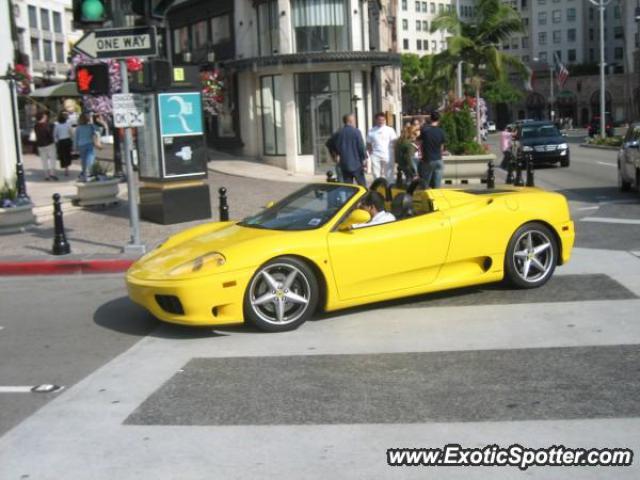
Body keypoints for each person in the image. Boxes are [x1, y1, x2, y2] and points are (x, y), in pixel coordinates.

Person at [326, 113, 367, 186]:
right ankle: (364, 197)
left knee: (348, 187)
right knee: (362, 186)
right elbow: (361, 147)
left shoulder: (338, 133)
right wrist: (364, 159)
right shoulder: (356, 132)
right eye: (354, 120)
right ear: (350, 121)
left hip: (344, 164)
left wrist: (334, 155)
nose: (355, 122)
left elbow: (328, 144)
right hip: (356, 163)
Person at [418, 110, 447, 188]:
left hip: (428, 160)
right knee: (437, 186)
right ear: (439, 120)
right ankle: (436, 199)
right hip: (438, 160)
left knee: (426, 185)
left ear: (430, 119)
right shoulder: (441, 132)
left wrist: (421, 154)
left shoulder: (425, 130)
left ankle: (427, 199)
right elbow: (442, 147)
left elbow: (420, 144)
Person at [367, 112, 397, 181]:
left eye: (383, 120)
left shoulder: (390, 130)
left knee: (389, 174)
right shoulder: (371, 131)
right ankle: (377, 187)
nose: (381, 121)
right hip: (375, 155)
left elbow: (394, 141)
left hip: (388, 154)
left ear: (385, 120)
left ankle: (390, 187)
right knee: (375, 173)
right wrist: (370, 152)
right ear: (376, 120)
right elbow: (368, 143)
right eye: (379, 120)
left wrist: (394, 152)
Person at [34, 112, 58, 181]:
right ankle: (52, 174)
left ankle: (46, 175)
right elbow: (50, 134)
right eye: (44, 116)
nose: (46, 117)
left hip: (40, 145)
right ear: (42, 117)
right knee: (52, 159)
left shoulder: (36, 126)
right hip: (49, 144)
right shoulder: (47, 125)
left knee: (44, 160)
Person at [75, 113, 97, 180]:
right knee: (90, 159)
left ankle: (84, 173)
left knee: (83, 160)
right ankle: (89, 173)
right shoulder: (91, 126)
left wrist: (75, 146)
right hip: (89, 143)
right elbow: (97, 131)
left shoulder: (78, 128)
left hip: (81, 144)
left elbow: (76, 138)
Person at [54, 112, 73, 176]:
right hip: (67, 140)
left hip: (61, 141)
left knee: (63, 155)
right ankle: (67, 168)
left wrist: (56, 141)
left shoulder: (57, 126)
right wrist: (72, 140)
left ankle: (65, 167)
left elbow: (54, 135)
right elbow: (71, 133)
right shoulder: (68, 124)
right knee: (67, 154)